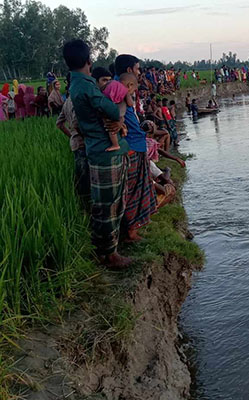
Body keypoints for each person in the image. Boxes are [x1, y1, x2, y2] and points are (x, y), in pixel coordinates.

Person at [64, 39, 130, 268]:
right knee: (107, 204)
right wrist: (119, 112)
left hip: (99, 149)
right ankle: (109, 253)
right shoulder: (86, 86)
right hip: (104, 152)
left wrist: (117, 116)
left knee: (107, 202)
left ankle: (107, 249)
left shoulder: (77, 84)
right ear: (87, 61)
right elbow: (111, 109)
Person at [115, 53, 158, 243]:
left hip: (135, 142)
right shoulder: (118, 90)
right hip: (131, 146)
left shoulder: (124, 90)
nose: (140, 72)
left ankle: (132, 229)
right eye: (138, 68)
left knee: (136, 189)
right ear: (129, 70)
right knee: (133, 191)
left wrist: (143, 125)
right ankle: (130, 233)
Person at [56, 80, 90, 209]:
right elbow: (76, 123)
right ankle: (86, 206)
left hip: (75, 143)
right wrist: (81, 135)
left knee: (81, 175)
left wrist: (72, 135)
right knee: (85, 177)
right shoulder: (77, 100)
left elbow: (59, 124)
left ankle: (82, 204)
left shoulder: (67, 102)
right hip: (83, 143)